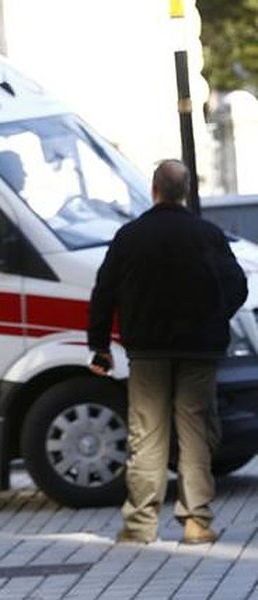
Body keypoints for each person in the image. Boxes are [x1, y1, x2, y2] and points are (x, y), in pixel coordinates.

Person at [87, 159, 247, 545]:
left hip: (147, 352)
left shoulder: (130, 236)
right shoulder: (207, 235)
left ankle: (141, 524)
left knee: (147, 436)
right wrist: (214, 317)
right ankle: (196, 521)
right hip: (198, 351)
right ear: (186, 191)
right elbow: (237, 285)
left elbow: (103, 291)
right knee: (196, 435)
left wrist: (100, 346)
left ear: (154, 190)